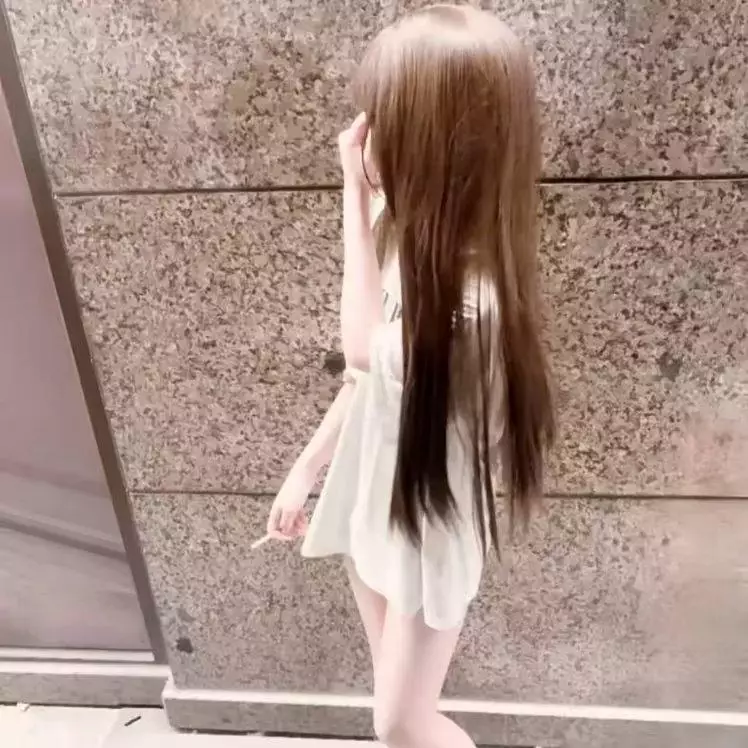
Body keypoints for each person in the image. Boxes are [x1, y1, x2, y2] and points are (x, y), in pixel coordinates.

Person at [266, 5, 555, 747]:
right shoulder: (405, 243)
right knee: (396, 716)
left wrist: (352, 192)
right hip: (372, 493)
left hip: (429, 517)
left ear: (434, 139)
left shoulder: (475, 302)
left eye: (382, 120)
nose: (361, 136)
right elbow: (370, 385)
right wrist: (307, 470)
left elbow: (366, 354)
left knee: (400, 722)